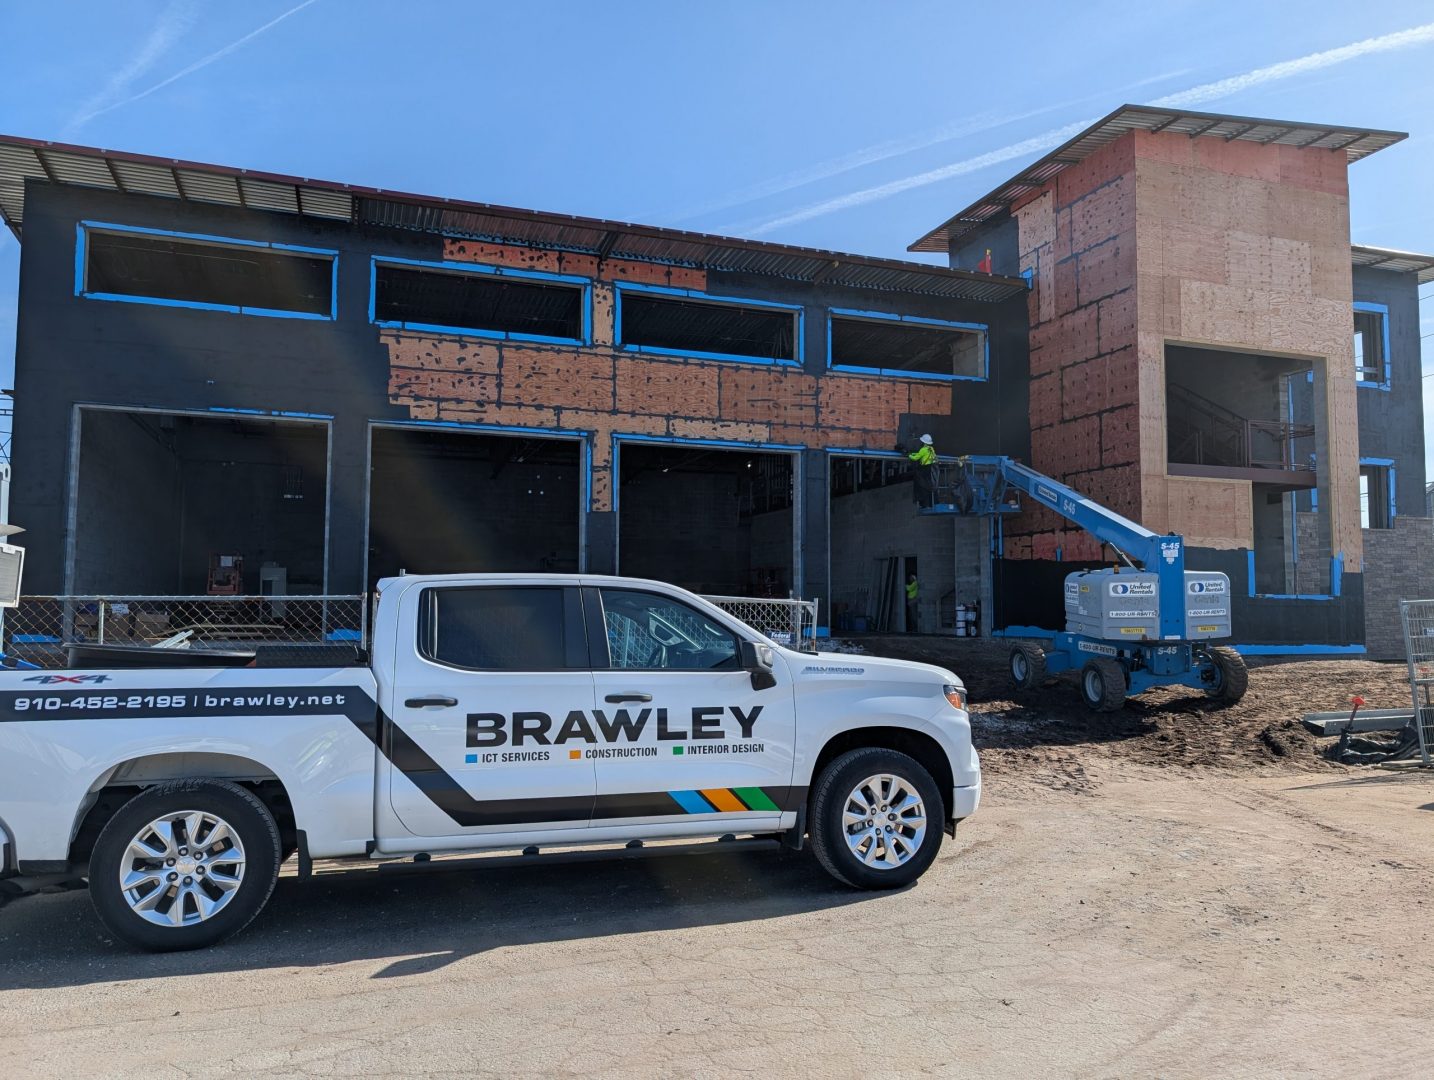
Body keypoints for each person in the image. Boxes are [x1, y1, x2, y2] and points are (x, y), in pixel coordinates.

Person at [908, 433, 937, 507]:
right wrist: (914, 453)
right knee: (928, 485)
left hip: (925, 469)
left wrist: (909, 455)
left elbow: (915, 458)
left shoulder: (923, 449)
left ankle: (922, 500)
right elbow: (920, 454)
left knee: (921, 483)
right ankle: (929, 502)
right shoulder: (931, 449)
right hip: (931, 468)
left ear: (924, 442)